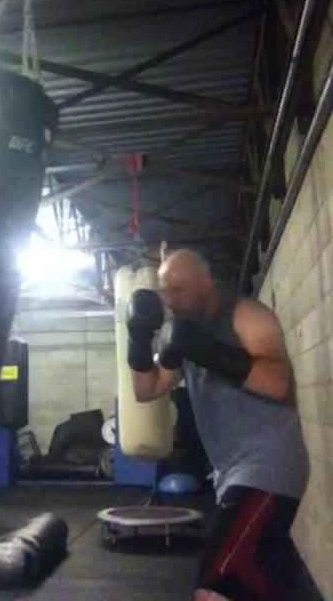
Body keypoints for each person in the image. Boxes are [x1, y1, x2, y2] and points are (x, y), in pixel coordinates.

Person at [126, 248, 309, 601]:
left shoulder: (246, 316)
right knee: (259, 583)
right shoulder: (182, 332)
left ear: (204, 283)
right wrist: (137, 339)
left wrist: (210, 352)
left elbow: (278, 384)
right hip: (230, 474)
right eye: (165, 291)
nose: (170, 300)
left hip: (268, 467)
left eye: (178, 290)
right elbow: (146, 390)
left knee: (215, 586)